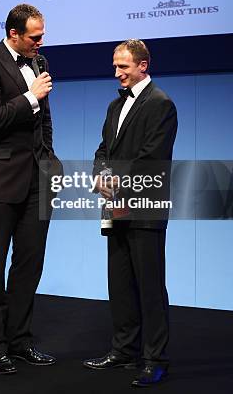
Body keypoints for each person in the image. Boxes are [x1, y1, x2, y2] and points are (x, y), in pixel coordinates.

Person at [0, 3, 61, 374]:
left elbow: (45, 120)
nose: (41, 42)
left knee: (29, 264)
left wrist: (50, 160)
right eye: (34, 37)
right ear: (13, 34)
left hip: (37, 179)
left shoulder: (40, 61)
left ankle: (20, 340)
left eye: (42, 35)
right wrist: (29, 97)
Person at [83, 39, 177, 387]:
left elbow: (153, 156)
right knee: (120, 282)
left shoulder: (161, 104)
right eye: (115, 66)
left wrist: (116, 179)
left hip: (145, 206)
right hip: (116, 204)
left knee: (149, 285)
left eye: (123, 66)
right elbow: (103, 148)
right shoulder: (113, 106)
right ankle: (124, 350)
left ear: (143, 66)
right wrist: (100, 175)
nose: (117, 72)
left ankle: (156, 359)